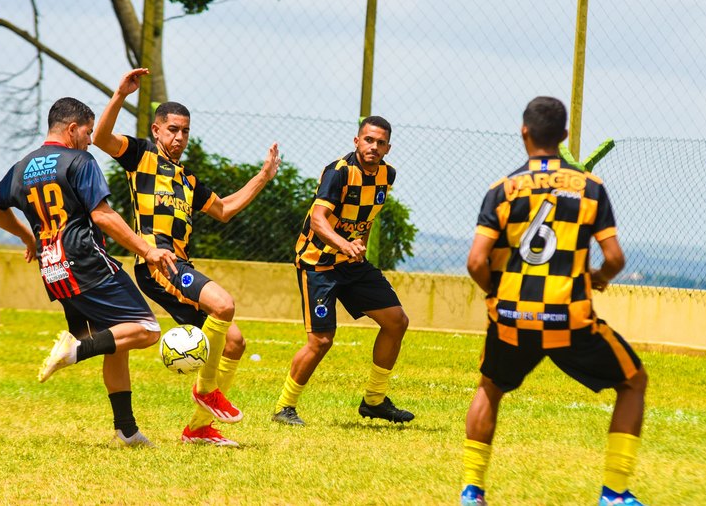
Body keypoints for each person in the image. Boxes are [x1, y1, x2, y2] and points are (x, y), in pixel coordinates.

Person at [459, 97, 648, 506]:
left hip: (511, 317)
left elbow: (476, 261)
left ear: (523, 132)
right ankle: (614, 493)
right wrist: (598, 278)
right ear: (563, 137)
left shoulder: (502, 190)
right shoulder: (590, 187)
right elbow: (615, 258)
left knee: (490, 387)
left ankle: (472, 491)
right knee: (633, 382)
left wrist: (496, 292)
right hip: (569, 318)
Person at [92, 68, 281, 447]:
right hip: (158, 263)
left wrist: (263, 177)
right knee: (224, 304)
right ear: (157, 130)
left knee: (233, 342)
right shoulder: (142, 157)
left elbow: (224, 210)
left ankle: (197, 429)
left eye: (185, 131)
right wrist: (119, 95)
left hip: (182, 265)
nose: (179, 137)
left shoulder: (187, 178)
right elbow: (100, 138)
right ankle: (206, 390)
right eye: (172, 130)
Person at [0, 96, 178, 447]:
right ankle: (75, 351)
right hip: (87, 262)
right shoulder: (80, 160)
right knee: (146, 329)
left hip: (53, 268)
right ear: (72, 129)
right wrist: (147, 250)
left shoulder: (23, 166)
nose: (90, 140)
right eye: (87, 132)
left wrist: (29, 236)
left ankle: (127, 430)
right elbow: (102, 215)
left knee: (118, 341)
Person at [272, 116, 413, 427]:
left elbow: (368, 217)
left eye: (380, 142)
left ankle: (374, 400)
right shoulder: (338, 172)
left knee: (396, 321)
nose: (373, 146)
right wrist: (344, 245)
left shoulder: (387, 175)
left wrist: (358, 244)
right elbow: (319, 220)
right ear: (356, 141)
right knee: (321, 341)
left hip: (352, 265)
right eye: (368, 140)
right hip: (317, 263)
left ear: (388, 147)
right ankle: (284, 407)